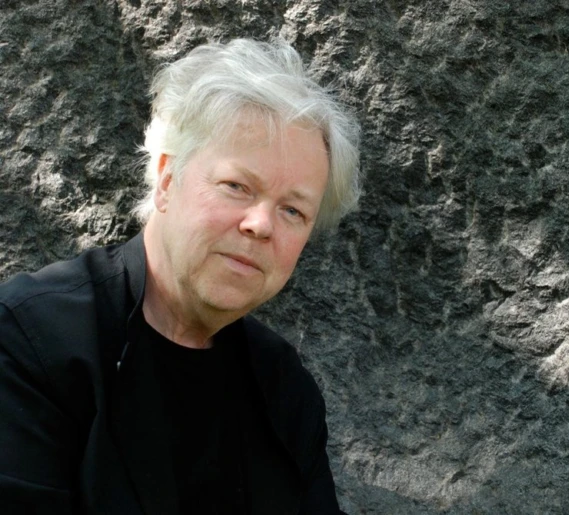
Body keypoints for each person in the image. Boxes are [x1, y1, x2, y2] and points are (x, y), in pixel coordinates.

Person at [0, 38, 360, 514]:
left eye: (293, 210)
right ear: (168, 179)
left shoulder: (284, 390)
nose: (261, 224)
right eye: (237, 186)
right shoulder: (30, 342)